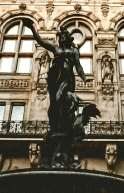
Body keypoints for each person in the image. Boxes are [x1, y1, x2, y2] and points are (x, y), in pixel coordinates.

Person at [22, 19, 100, 167]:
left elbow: (78, 67)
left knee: (63, 99)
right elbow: (40, 41)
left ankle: (62, 129)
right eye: (60, 36)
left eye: (64, 36)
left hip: (67, 79)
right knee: (55, 102)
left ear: (68, 39)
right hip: (55, 78)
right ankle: (58, 125)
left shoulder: (73, 51)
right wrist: (32, 28)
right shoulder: (56, 49)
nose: (62, 38)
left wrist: (84, 79)